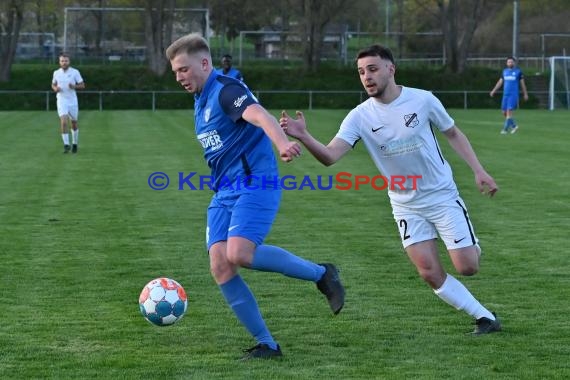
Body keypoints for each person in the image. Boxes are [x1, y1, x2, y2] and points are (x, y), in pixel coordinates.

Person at [280, 44, 501, 335]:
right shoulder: (360, 116)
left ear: (390, 69)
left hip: (441, 194)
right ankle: (485, 318)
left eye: (372, 69)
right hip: (404, 203)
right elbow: (330, 156)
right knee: (429, 272)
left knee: (467, 267)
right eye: (361, 72)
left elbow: (453, 133)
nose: (366, 77)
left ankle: (469, 243)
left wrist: (478, 170)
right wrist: (304, 136)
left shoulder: (422, 100)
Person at [165, 33, 345, 360]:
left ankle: (322, 274)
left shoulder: (226, 90)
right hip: (224, 191)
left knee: (240, 253)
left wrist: (281, 143)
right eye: (175, 72)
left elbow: (260, 115)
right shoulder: (201, 99)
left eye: (183, 69)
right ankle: (268, 344)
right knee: (220, 265)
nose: (179, 77)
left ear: (204, 64)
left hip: (255, 183)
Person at [51, 52, 85, 153]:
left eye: (66, 61)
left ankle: (74, 143)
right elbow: (53, 85)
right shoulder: (56, 73)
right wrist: (55, 88)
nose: (64, 62)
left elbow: (82, 85)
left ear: (69, 61)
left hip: (72, 100)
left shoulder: (75, 72)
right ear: (59, 62)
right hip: (61, 100)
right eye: (62, 61)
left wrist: (74, 86)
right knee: (64, 121)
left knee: (74, 123)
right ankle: (66, 145)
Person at [489, 56, 528, 134]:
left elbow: (522, 84)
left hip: (513, 95)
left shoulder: (518, 72)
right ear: (506, 63)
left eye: (511, 62)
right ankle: (514, 126)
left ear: (514, 63)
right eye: (509, 62)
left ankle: (505, 129)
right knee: (504, 112)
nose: (510, 63)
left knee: (509, 112)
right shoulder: (504, 72)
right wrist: (493, 90)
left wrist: (525, 94)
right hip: (505, 95)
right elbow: (500, 82)